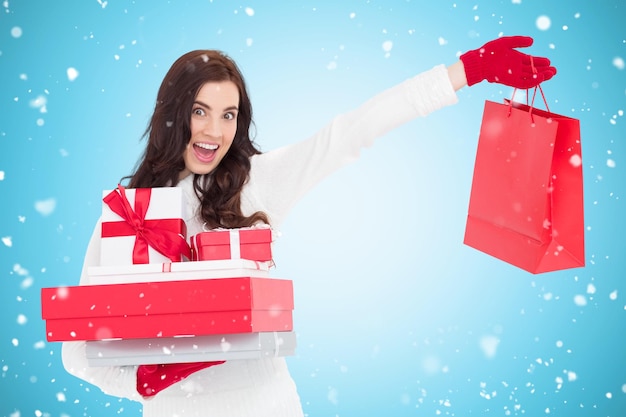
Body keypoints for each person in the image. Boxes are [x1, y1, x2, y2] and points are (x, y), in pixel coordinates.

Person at [61, 35, 556, 416]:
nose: (215, 130)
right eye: (200, 111)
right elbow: (79, 350)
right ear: (173, 114)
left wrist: (464, 72)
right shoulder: (127, 212)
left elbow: (353, 131)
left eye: (229, 114)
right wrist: (142, 379)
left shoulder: (256, 182)